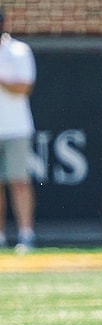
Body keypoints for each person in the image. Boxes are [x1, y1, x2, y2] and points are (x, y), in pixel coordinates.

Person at [0, 7, 37, 253]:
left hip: (16, 129)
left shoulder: (19, 50)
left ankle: (26, 235)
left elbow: (24, 87)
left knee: (19, 181)